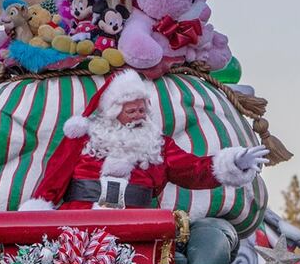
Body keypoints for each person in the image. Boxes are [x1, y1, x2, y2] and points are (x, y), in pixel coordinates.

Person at [24, 70, 269, 211]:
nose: (139, 116)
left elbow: (194, 170)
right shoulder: (84, 139)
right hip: (78, 224)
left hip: (137, 226)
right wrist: (37, 213)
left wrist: (234, 162)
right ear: (112, 112)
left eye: (142, 111)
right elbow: (54, 178)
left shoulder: (158, 145)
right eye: (132, 111)